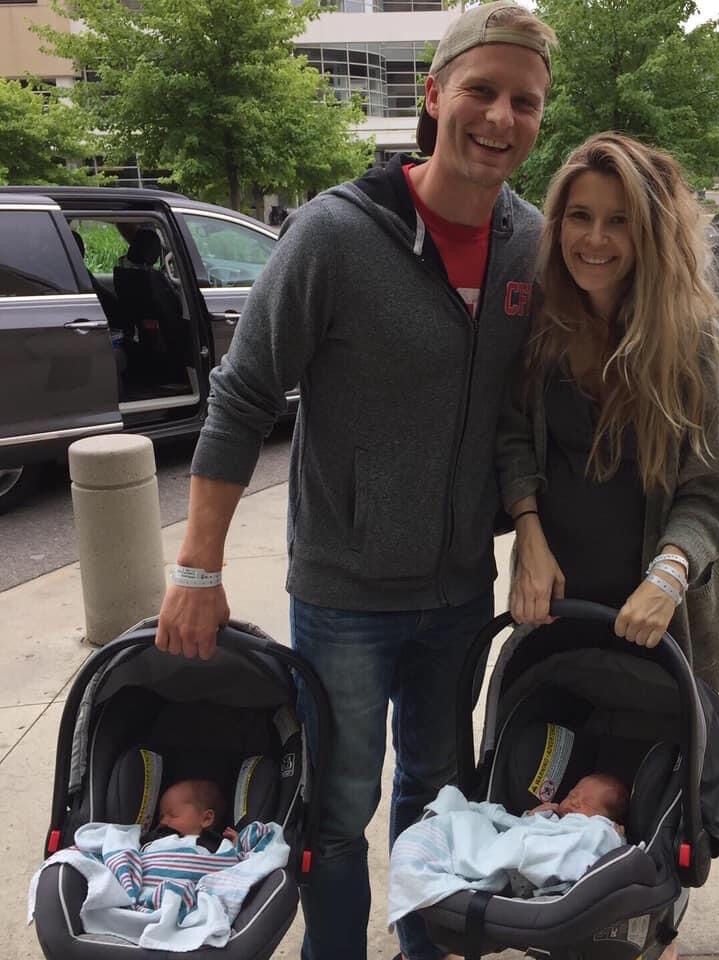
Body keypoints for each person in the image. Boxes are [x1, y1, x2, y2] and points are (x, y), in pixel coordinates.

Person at [154, 4, 556, 959]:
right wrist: (198, 570)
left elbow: (523, 412)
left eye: (525, 101)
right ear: (435, 95)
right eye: (482, 91)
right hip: (344, 592)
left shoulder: (531, 243)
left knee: (435, 798)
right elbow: (242, 396)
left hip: (459, 589)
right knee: (335, 811)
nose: (501, 117)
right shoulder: (334, 235)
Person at [500, 132, 719, 693]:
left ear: (651, 232)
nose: (595, 238)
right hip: (555, 610)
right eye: (580, 216)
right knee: (542, 743)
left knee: (653, 747)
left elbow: (716, 488)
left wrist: (670, 574)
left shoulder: (694, 339)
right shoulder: (541, 325)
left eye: (620, 221)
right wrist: (528, 532)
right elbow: (512, 436)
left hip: (660, 620)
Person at [530, 772, 628, 824]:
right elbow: (525, 829)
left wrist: (617, 838)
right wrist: (532, 815)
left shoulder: (600, 833)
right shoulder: (551, 818)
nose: (574, 802)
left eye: (587, 802)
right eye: (572, 795)